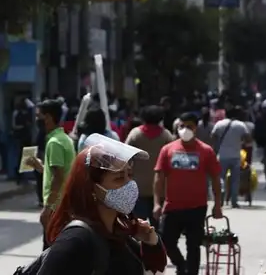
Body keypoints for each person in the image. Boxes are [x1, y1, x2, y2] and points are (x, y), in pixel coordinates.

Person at [37, 134, 168, 275]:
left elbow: (153, 271)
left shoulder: (122, 234)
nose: (129, 185)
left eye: (129, 175)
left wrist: (151, 243)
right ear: (92, 188)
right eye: (118, 178)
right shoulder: (76, 241)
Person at [154, 112, 222, 275]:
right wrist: (157, 203)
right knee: (166, 241)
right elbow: (159, 177)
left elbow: (215, 179)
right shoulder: (168, 149)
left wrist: (217, 205)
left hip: (197, 207)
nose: (185, 130)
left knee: (193, 245)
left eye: (189, 126)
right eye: (181, 126)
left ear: (196, 128)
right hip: (172, 206)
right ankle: (180, 264)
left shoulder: (206, 151)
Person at [26, 98, 77, 247]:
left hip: (56, 208)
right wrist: (40, 166)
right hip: (63, 205)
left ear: (48, 117)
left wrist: (48, 208)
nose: (37, 119)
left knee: (50, 253)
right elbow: (60, 172)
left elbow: (59, 177)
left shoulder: (54, 143)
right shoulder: (64, 139)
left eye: (38, 116)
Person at [125, 105, 174, 226]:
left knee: (137, 225)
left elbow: (124, 156)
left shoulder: (135, 134)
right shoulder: (166, 135)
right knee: (157, 227)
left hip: (138, 186)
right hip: (159, 188)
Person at [210, 107, 252, 208]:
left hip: (222, 155)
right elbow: (248, 139)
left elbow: (212, 137)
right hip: (236, 156)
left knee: (220, 178)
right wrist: (241, 142)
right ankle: (234, 201)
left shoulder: (219, 124)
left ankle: (221, 196)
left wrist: (216, 147)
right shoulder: (240, 125)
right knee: (235, 180)